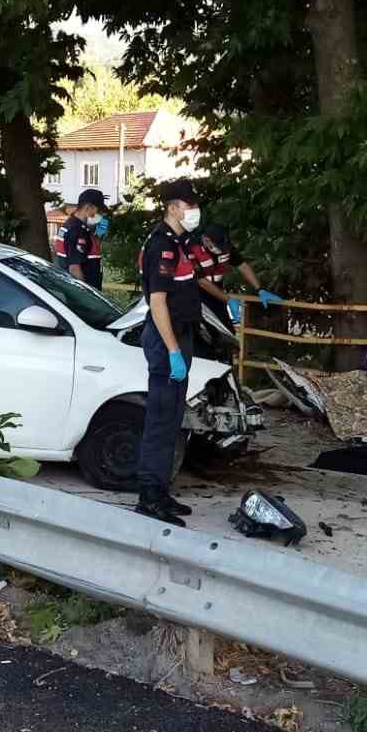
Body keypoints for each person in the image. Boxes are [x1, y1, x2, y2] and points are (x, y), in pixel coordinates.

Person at [134, 178, 203, 524]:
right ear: (174, 207)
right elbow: (157, 301)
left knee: (172, 417)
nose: (194, 211)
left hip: (178, 337)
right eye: (189, 205)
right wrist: (173, 350)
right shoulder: (163, 243)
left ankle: (160, 491)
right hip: (167, 340)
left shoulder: (179, 241)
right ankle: (149, 496)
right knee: (161, 420)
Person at [184, 220, 284, 329]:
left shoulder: (225, 245)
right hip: (194, 299)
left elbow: (242, 265)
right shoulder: (191, 248)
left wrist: (260, 289)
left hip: (217, 297)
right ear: (207, 240)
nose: (222, 250)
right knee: (203, 335)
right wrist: (228, 299)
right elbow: (201, 281)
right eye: (219, 246)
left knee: (227, 334)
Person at [53, 188, 108, 289]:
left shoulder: (70, 225)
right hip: (81, 295)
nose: (100, 215)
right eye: (98, 210)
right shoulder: (78, 231)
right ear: (88, 207)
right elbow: (74, 268)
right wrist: (87, 295)